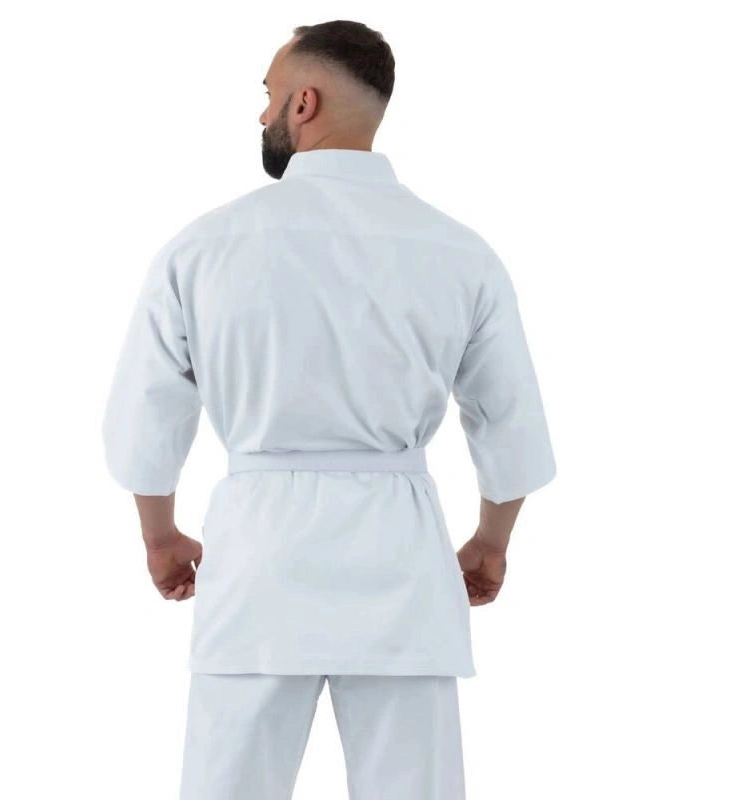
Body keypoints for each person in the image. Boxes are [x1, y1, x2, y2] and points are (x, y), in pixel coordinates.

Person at [101, 19, 556, 800]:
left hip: (257, 558)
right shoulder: (459, 251)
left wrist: (161, 535)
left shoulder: (204, 247)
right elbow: (510, 422)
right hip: (402, 561)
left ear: (304, 103)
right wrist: (489, 543)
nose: (263, 112)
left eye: (269, 94)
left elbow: (146, 415)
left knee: (228, 787)